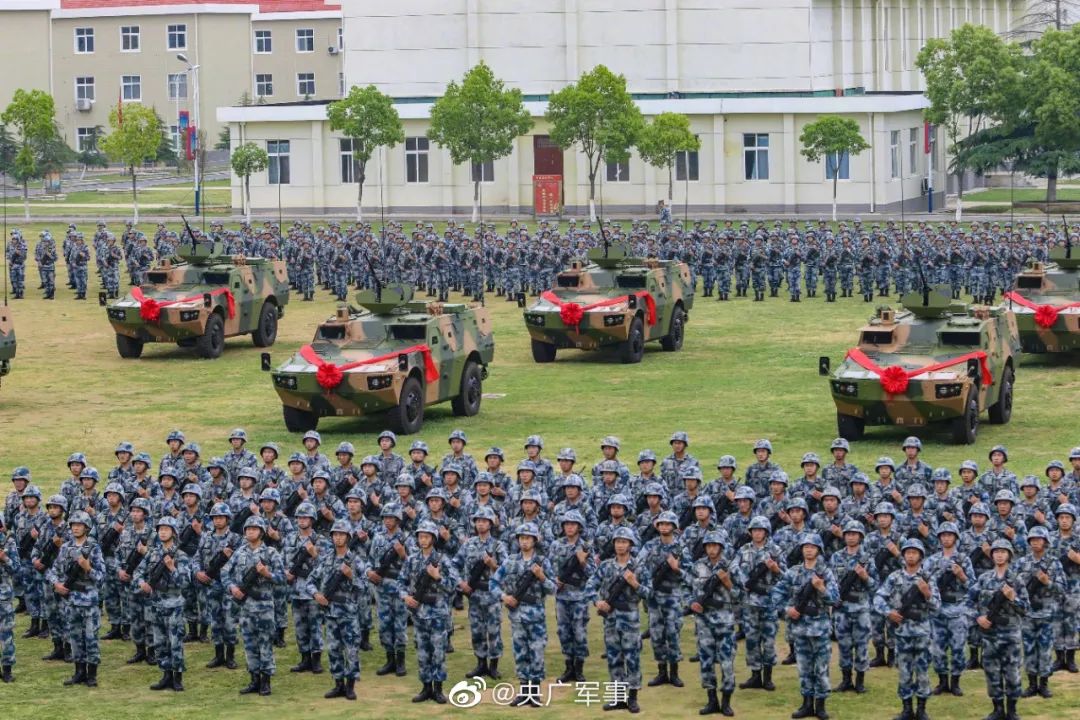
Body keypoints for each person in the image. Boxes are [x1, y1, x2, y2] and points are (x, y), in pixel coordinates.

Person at [770, 532, 839, 720]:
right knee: (804, 668)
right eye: (805, 546)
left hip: (820, 629)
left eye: (812, 546)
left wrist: (821, 589)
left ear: (818, 550)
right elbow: (776, 594)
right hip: (799, 629)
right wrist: (787, 609)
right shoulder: (793, 572)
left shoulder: (825, 573)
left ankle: (821, 706)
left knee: (821, 669)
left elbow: (835, 599)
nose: (808, 549)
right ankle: (806, 704)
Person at [873, 539, 941, 720]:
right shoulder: (894, 577)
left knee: (923, 672)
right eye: (908, 552)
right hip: (902, 632)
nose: (911, 555)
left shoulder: (928, 578)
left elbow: (937, 606)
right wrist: (889, 613)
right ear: (903, 556)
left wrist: (927, 593)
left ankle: (921, 709)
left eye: (914, 552)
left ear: (920, 556)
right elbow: (878, 598)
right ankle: (906, 709)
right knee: (904, 671)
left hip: (922, 633)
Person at [490, 522, 556, 708]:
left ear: (534, 540)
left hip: (536, 616)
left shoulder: (543, 562)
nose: (524, 541)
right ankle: (523, 691)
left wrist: (542, 576)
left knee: (536, 652)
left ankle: (534, 692)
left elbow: (553, 589)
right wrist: (504, 597)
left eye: (528, 538)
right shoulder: (510, 561)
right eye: (521, 538)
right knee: (520, 653)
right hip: (517, 615)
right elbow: (493, 584)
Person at [585, 525, 650, 714]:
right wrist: (597, 602)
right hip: (611, 618)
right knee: (614, 658)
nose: (620, 545)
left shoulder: (638, 567)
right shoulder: (606, 566)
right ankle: (618, 697)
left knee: (632, 658)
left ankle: (633, 698)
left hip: (630, 618)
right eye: (618, 542)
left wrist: (635, 584)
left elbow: (649, 593)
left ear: (631, 544)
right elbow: (590, 585)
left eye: (624, 542)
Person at [968, 539, 1029, 720]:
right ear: (992, 555)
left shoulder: (1016, 580)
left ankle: (1011, 710)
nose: (999, 554)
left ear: (1009, 555)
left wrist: (1013, 598)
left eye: (1003, 551)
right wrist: (977, 617)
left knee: (1012, 673)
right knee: (992, 672)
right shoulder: (984, 578)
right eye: (996, 551)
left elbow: (1026, 609)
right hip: (990, 635)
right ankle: (997, 709)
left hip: (1011, 634)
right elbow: (968, 601)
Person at [225, 515, 285, 697]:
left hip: (264, 606)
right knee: (250, 644)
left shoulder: (271, 554)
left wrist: (268, 574)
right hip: (246, 607)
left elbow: (283, 579)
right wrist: (232, 587)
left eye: (254, 529)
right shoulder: (239, 552)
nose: (250, 531)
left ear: (261, 532)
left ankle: (266, 681)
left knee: (265, 643)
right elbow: (224, 571)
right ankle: (254, 679)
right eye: (248, 529)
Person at [310, 519, 369, 701]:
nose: (338, 537)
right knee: (334, 649)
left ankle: (350, 685)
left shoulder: (356, 560)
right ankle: (338, 684)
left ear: (348, 537)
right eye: (335, 534)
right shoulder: (327, 558)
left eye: (341, 534)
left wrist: (352, 576)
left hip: (348, 612)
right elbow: (310, 580)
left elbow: (365, 587)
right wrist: (315, 594)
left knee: (351, 649)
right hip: (330, 611)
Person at [401, 520, 458, 703]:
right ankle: (425, 687)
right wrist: (405, 597)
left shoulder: (442, 560)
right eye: (420, 536)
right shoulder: (411, 560)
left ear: (433, 539)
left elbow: (453, 586)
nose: (423, 540)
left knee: (438, 652)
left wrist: (438, 577)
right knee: (423, 652)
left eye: (426, 536)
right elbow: (400, 582)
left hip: (438, 614)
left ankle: (438, 689)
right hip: (419, 614)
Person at [48, 511, 106, 687]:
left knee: (91, 637)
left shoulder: (93, 548)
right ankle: (79, 671)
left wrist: (88, 569)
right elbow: (54, 570)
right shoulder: (66, 547)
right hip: (71, 600)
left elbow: (102, 577)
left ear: (87, 528)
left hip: (89, 601)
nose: (75, 528)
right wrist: (56, 584)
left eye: (79, 525)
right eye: (73, 525)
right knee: (74, 637)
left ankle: (92, 674)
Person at [136, 515, 192, 692]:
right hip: (155, 604)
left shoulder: (180, 555)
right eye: (160, 529)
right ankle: (165, 674)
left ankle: (177, 677)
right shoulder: (152, 553)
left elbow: (185, 581)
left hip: (173, 605)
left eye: (166, 529)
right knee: (160, 642)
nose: (162, 532)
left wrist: (172, 568)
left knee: (175, 642)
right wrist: (141, 583)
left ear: (174, 533)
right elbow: (138, 571)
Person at [688, 529, 738, 716]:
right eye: (708, 545)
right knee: (706, 663)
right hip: (704, 622)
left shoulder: (731, 567)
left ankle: (726, 702)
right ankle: (711, 701)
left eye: (714, 545)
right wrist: (692, 603)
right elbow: (686, 587)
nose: (711, 549)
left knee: (726, 663)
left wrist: (728, 583)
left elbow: (742, 594)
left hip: (724, 621)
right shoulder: (698, 566)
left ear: (721, 547)